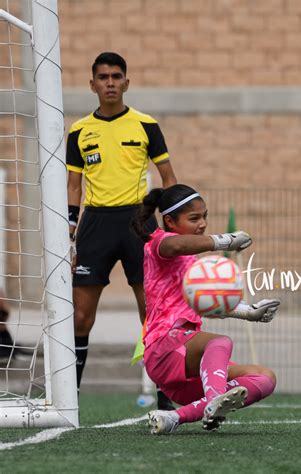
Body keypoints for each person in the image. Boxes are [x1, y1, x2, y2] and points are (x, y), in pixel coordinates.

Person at [66, 52, 177, 410]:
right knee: (80, 317)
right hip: (95, 225)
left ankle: (166, 400)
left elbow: (169, 179)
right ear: (93, 85)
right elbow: (73, 187)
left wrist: (170, 226)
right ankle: (71, 400)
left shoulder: (146, 125)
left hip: (139, 223)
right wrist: (68, 232)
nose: (110, 82)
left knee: (153, 314)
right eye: (103, 77)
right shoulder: (80, 131)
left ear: (126, 83)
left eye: (116, 76)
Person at [132, 184, 279, 434]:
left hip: (183, 366)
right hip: (163, 347)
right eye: (194, 218)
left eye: (205, 216)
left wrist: (248, 312)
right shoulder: (158, 244)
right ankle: (214, 400)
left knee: (264, 377)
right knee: (220, 342)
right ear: (169, 220)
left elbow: (208, 304)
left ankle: (174, 417)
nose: (202, 223)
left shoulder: (190, 260)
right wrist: (224, 241)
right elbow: (178, 246)